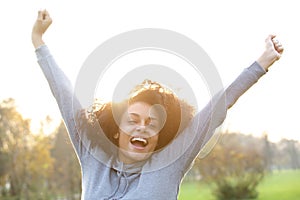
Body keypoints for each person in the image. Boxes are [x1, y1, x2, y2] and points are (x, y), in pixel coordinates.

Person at [32, 10, 284, 200]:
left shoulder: (169, 165)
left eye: (151, 124)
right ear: (117, 129)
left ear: (158, 137)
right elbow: (64, 95)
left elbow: (216, 109)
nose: (142, 128)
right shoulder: (93, 158)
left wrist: (261, 64)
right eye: (133, 120)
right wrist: (38, 40)